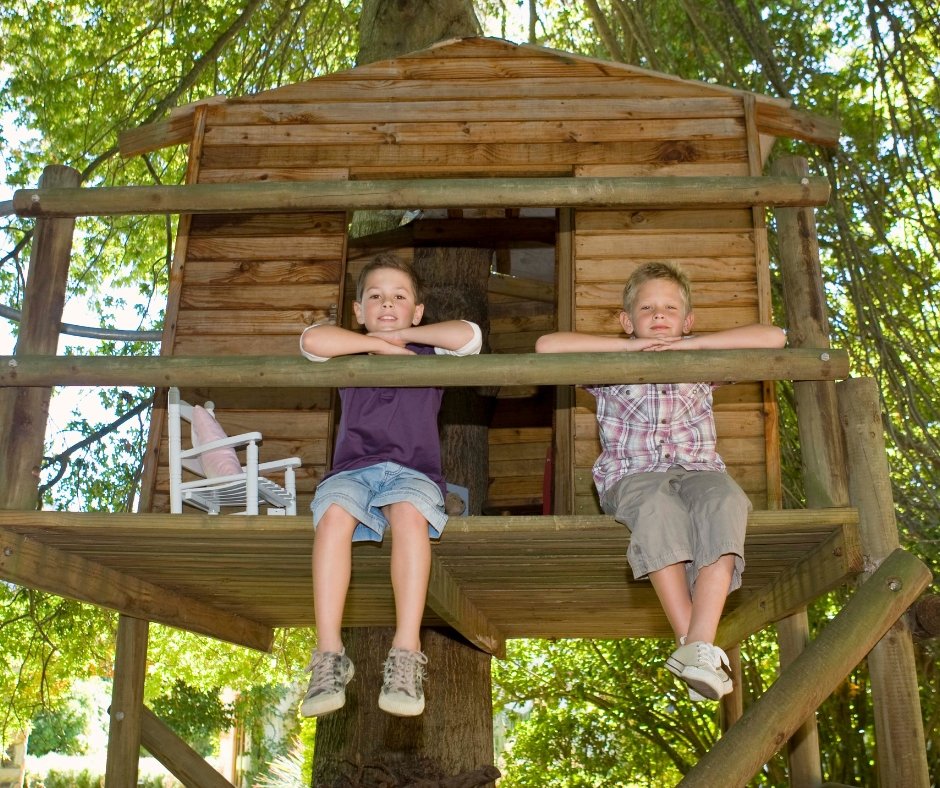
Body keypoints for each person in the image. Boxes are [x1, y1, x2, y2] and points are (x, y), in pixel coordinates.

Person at [535, 261, 786, 701]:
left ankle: (697, 647)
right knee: (657, 509)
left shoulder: (701, 360)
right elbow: (547, 346)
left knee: (727, 503)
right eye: (646, 308)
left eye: (670, 308)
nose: (659, 315)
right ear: (627, 321)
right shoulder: (607, 367)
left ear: (687, 320)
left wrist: (692, 345)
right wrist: (628, 350)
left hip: (700, 471)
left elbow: (775, 338)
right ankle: (694, 647)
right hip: (633, 476)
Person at [297, 253, 482, 717]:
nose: (387, 304)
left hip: (412, 473)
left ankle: (404, 652)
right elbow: (310, 340)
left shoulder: (428, 351)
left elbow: (470, 337)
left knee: (409, 516)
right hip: (352, 472)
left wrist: (403, 337)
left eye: (400, 298)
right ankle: (328, 654)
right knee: (334, 516)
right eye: (375, 296)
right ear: (358, 311)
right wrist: (378, 346)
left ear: (417, 312)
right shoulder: (348, 348)